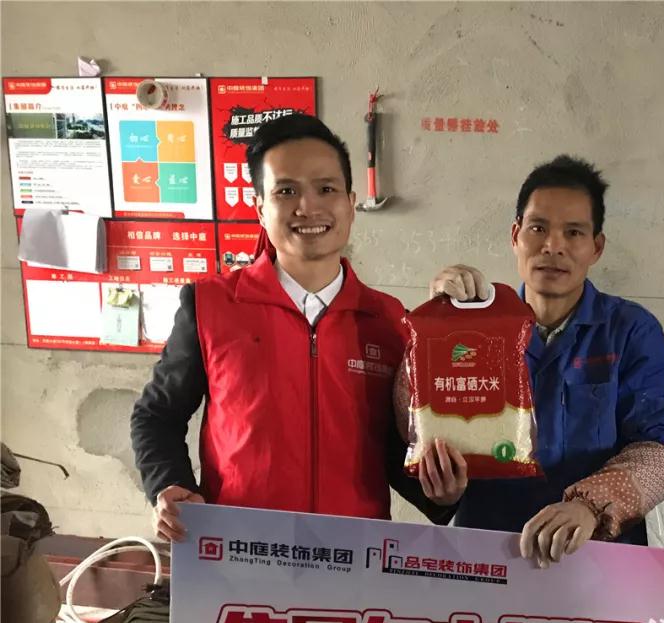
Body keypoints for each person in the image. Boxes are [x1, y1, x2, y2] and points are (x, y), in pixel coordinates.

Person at [132, 114, 464, 541]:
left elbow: (392, 447)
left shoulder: (389, 321)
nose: (308, 208)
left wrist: (441, 493)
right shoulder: (210, 305)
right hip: (237, 552)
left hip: (352, 556)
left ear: (350, 203)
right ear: (260, 208)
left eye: (326, 189)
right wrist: (168, 484)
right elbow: (157, 415)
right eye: (286, 191)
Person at [417, 155, 664, 566]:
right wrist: (438, 324)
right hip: (487, 556)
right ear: (515, 235)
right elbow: (416, 422)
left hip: (597, 561)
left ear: (597, 247)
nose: (553, 246)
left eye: (573, 232)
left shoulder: (631, 331)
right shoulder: (473, 326)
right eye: (538, 228)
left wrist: (591, 505)